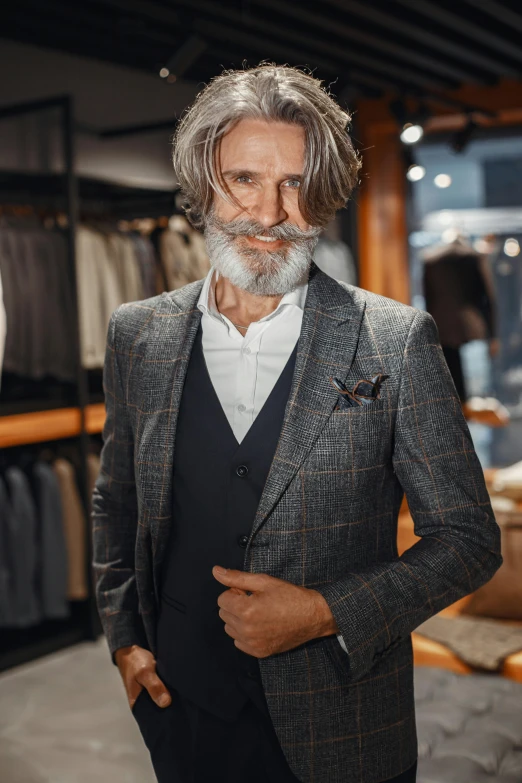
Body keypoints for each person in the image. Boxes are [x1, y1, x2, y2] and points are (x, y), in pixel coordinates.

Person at [92, 64, 502, 783]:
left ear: (325, 195)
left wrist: (322, 612)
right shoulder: (138, 334)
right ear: (203, 185)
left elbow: (467, 540)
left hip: (342, 727)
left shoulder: (396, 340)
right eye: (244, 179)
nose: (270, 212)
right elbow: (117, 501)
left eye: (296, 184)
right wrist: (126, 641)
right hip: (181, 713)